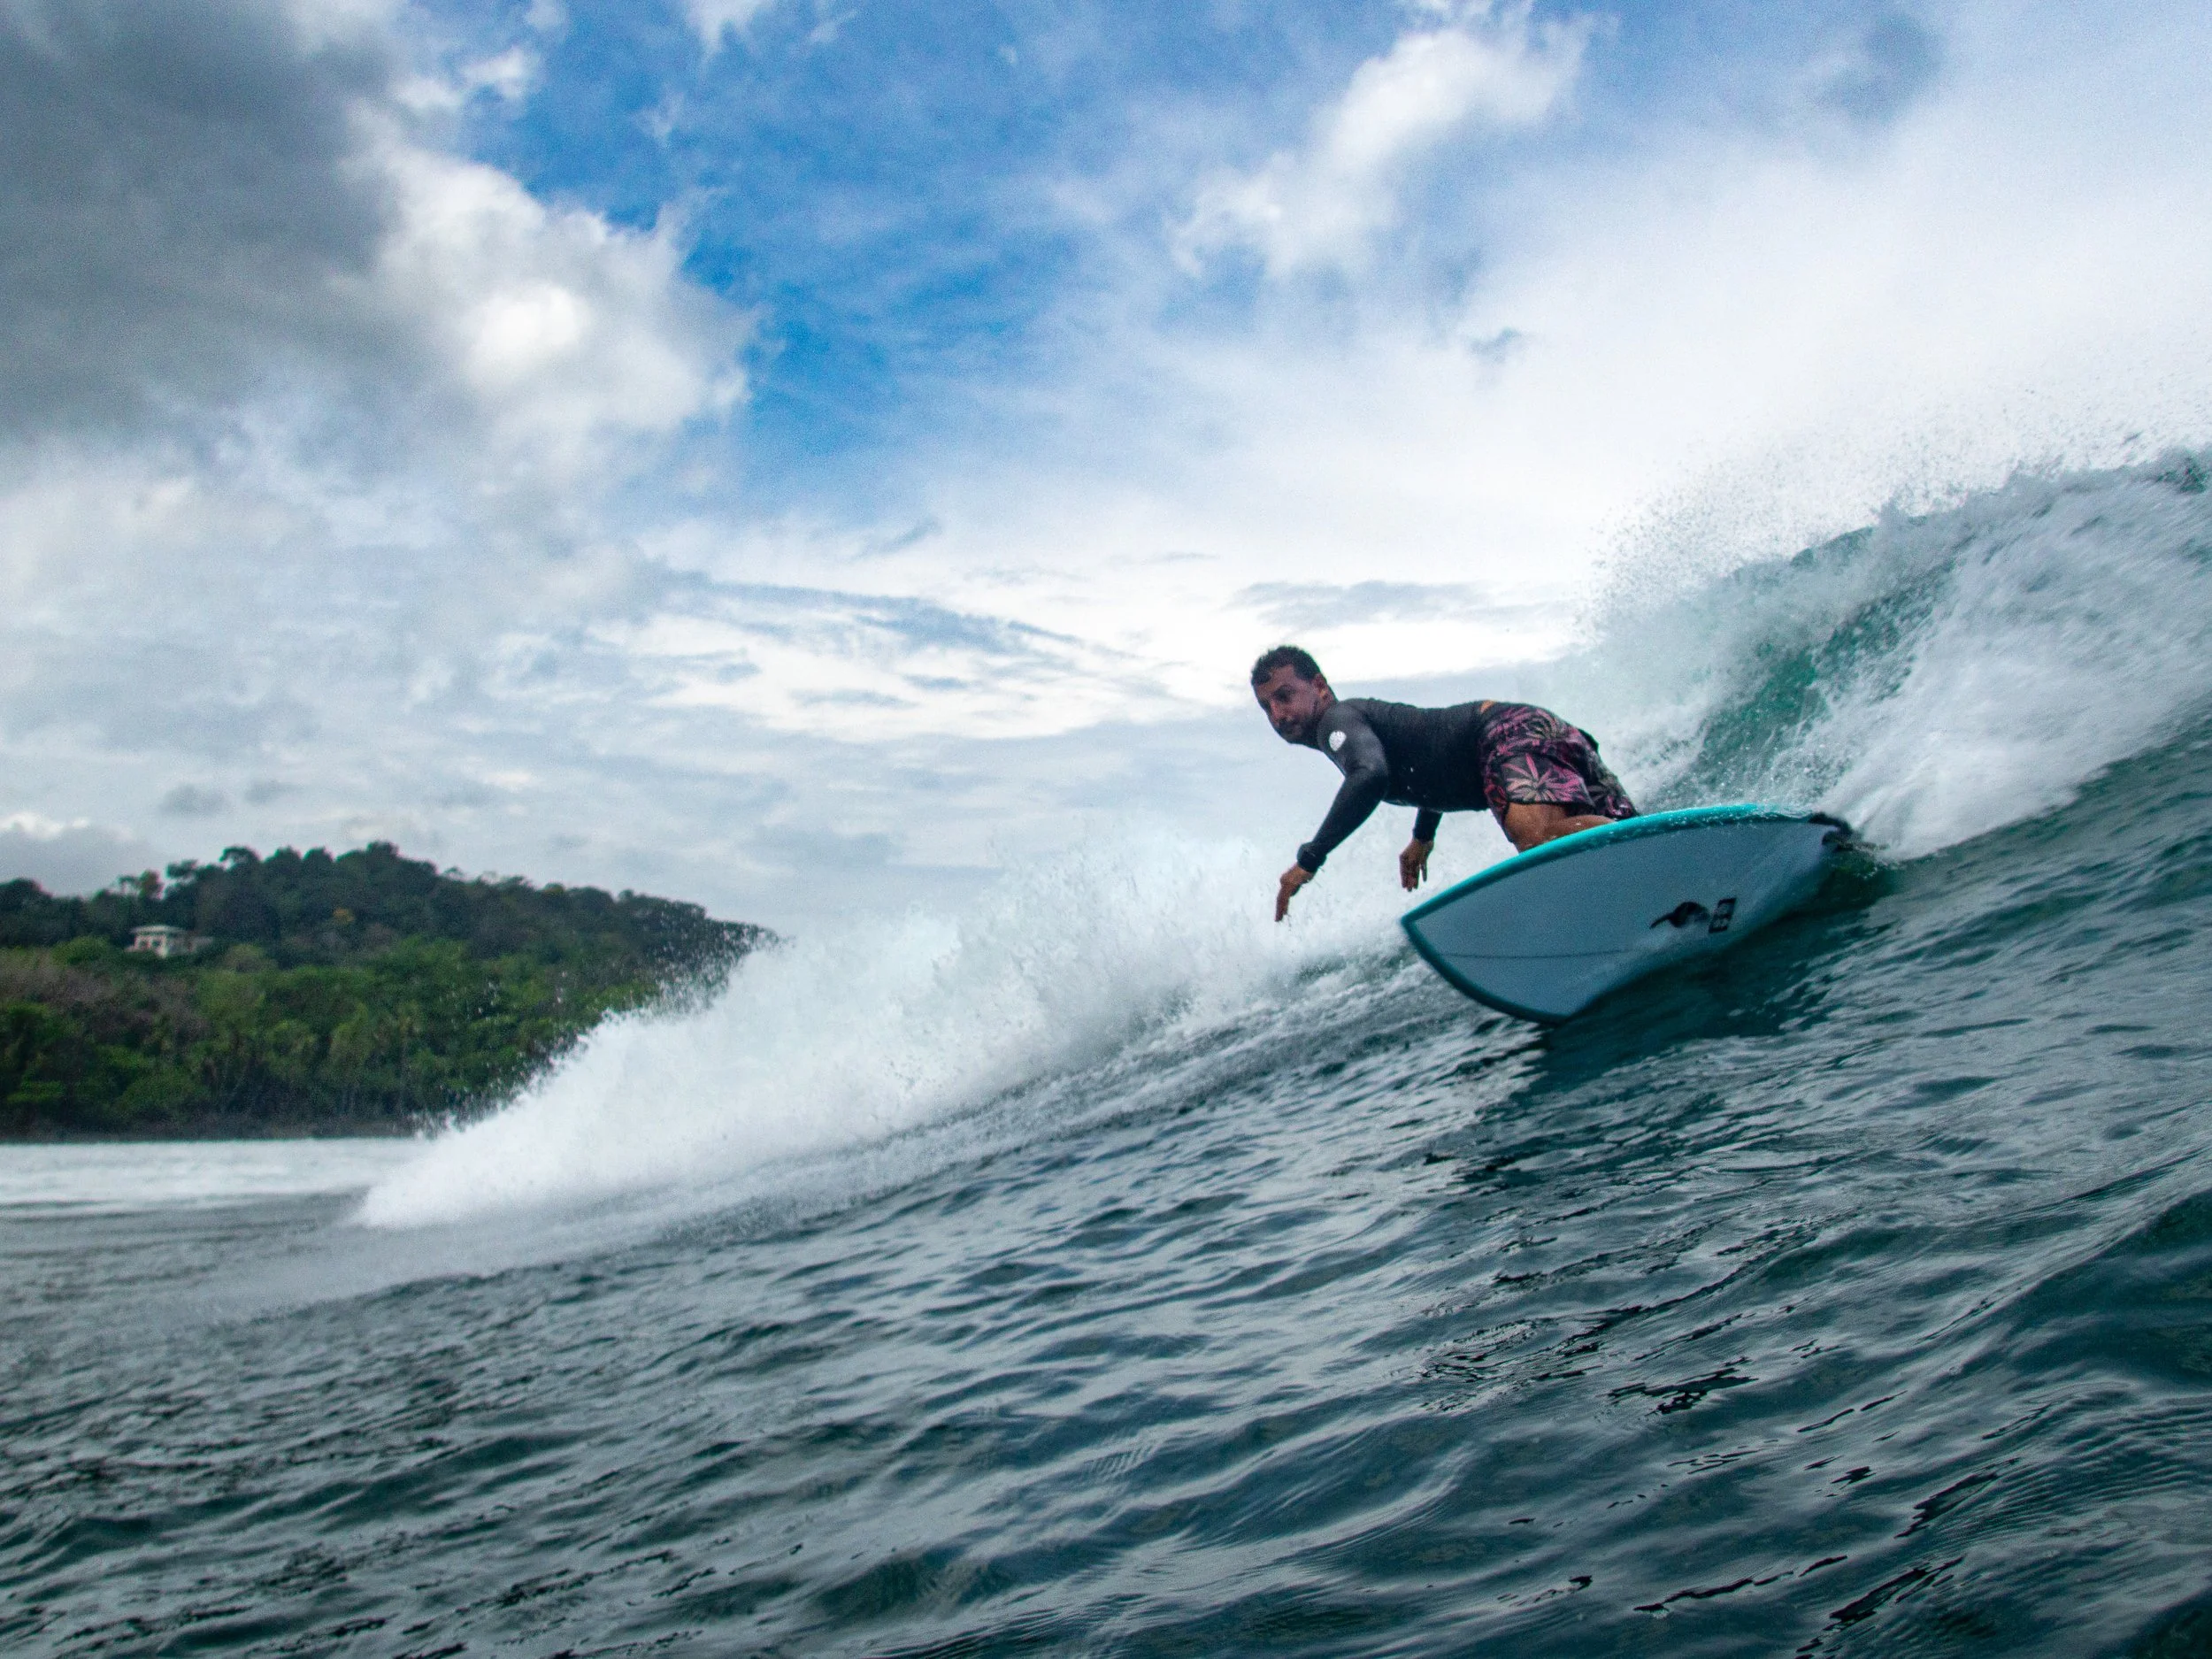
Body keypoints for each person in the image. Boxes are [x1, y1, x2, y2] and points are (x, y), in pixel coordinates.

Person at [1252, 645, 1638, 921]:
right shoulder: (1354, 727)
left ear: (1319, 685)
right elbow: (1428, 765)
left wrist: (1310, 857)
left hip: (1508, 732)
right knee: (1587, 845)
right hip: (1536, 732)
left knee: (1536, 838)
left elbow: (1371, 776)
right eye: (1267, 707)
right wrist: (1423, 835)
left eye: (1285, 697)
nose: (1278, 714)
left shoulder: (1338, 721)